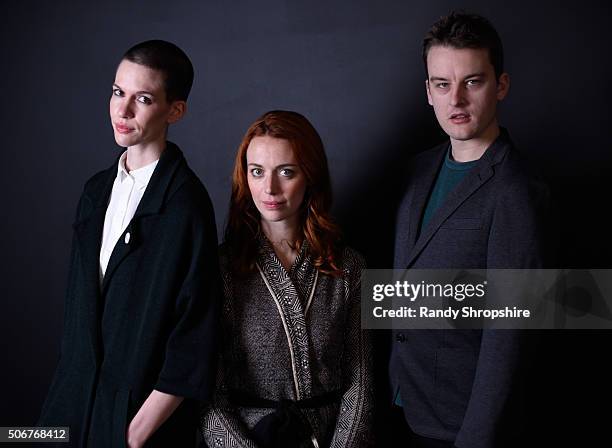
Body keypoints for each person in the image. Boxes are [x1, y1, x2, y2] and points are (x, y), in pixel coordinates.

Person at [37, 40, 221, 447]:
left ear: (175, 110)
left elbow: (196, 334)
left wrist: (134, 434)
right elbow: (78, 320)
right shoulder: (95, 192)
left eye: (142, 98)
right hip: (71, 410)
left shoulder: (186, 205)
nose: (122, 111)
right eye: (118, 92)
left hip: (135, 424)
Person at [389, 12, 549, 448]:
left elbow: (509, 337)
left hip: (463, 425)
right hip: (405, 407)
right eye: (442, 84)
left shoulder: (516, 190)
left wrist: (476, 438)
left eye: (472, 82)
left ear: (501, 86)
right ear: (428, 92)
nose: (455, 99)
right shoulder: (417, 170)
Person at [200, 110, 373, 447]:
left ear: (310, 176)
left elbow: (361, 381)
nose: (270, 188)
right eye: (257, 172)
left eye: (286, 172)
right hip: (248, 436)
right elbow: (209, 396)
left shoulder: (350, 268)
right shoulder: (220, 268)